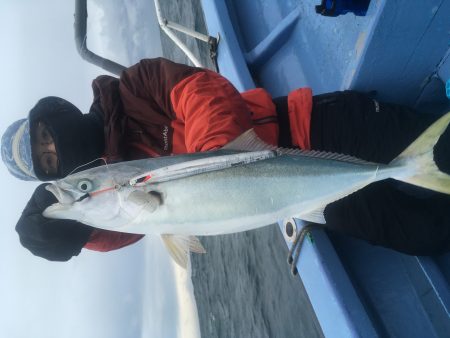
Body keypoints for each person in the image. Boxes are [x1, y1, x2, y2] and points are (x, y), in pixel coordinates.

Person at [2, 58, 449, 261]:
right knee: (426, 234)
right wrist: (68, 234)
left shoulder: (134, 87)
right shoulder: (114, 197)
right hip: (300, 196)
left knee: (443, 149)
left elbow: (204, 92)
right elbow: (121, 224)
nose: (54, 148)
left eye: (45, 136)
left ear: (54, 113)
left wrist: (218, 160)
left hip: (310, 127)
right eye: (48, 160)